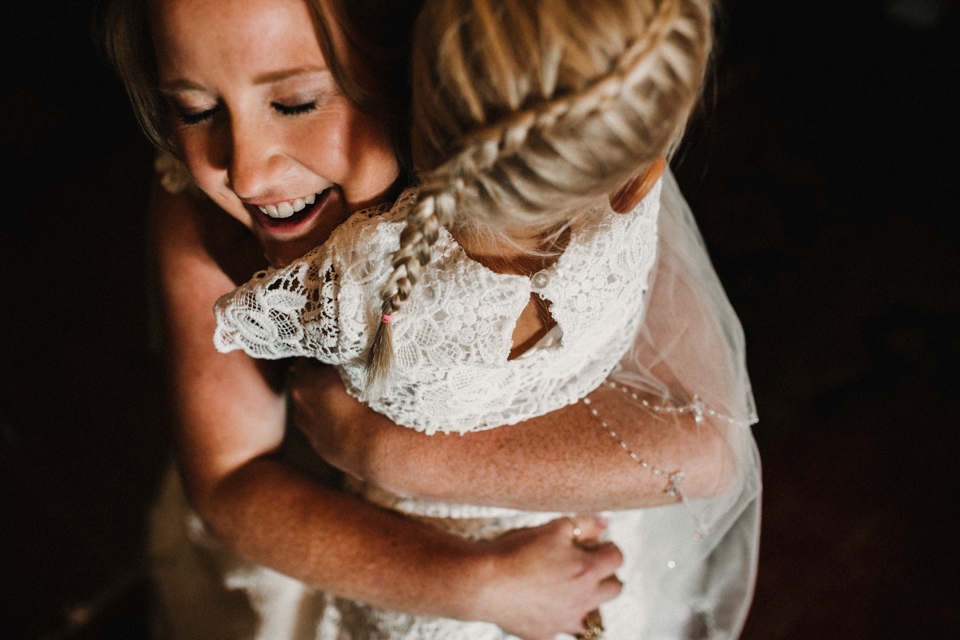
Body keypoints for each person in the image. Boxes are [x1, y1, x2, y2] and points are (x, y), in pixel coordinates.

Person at [100, 0, 759, 637]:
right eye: (195, 109)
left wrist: (384, 450)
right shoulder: (201, 219)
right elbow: (228, 482)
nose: (245, 172)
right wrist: (478, 584)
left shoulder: (558, 140)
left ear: (407, 60)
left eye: (295, 102)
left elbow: (703, 438)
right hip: (350, 557)